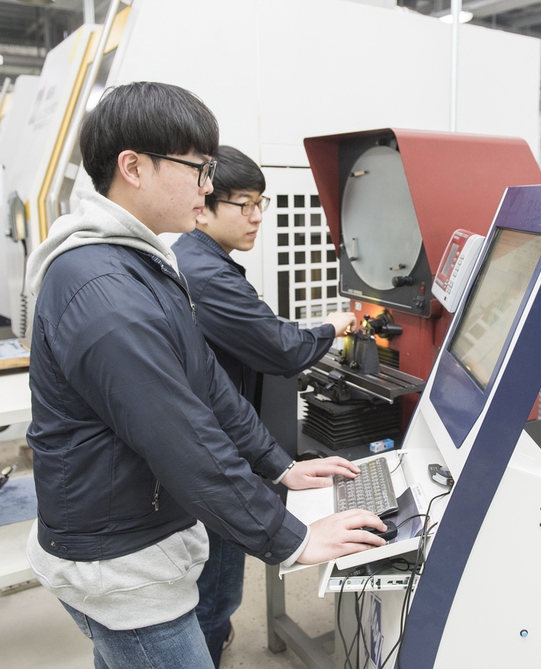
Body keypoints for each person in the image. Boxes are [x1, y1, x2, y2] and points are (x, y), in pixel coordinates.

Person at [23, 82, 386, 669]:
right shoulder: (103, 291)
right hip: (121, 563)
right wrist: (290, 539)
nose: (206, 185)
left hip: (141, 530)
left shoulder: (145, 264)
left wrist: (280, 466)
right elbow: (182, 434)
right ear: (133, 167)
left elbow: (209, 386)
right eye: (198, 168)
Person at [172, 145, 357, 666]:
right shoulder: (207, 275)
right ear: (205, 204)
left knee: (211, 587)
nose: (257, 218)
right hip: (218, 458)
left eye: (262, 204)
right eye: (244, 204)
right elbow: (280, 349)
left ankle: (212, 637)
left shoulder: (200, 261)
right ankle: (208, 644)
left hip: (223, 446)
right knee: (216, 591)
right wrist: (333, 326)